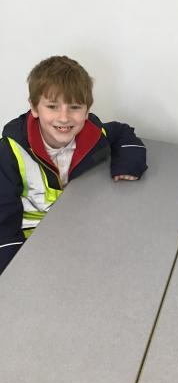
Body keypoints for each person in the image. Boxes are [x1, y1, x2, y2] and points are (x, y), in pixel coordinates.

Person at [0, 56, 147, 274]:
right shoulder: (10, 151)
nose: (64, 118)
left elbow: (121, 132)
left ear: (86, 111)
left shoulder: (93, 134)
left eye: (75, 107)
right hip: (27, 238)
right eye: (52, 106)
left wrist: (127, 165)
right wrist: (13, 271)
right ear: (34, 108)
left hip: (76, 227)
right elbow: (4, 218)